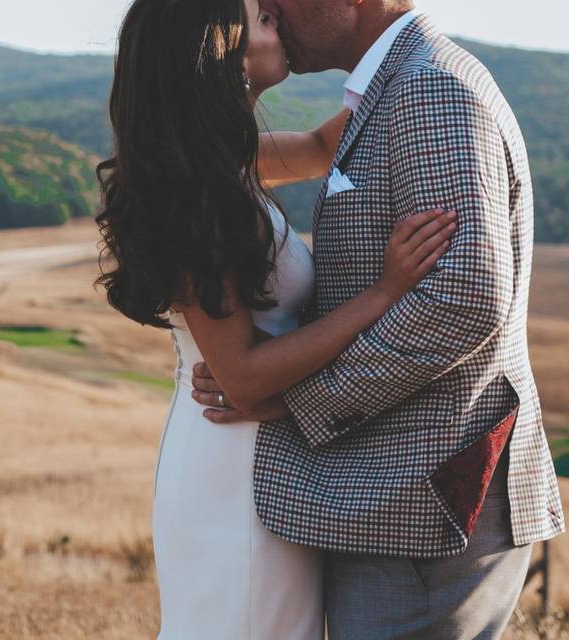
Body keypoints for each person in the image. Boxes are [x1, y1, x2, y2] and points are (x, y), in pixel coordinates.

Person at [190, 1, 565, 638]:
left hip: (426, 499)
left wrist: (299, 396)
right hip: (391, 497)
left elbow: (461, 297)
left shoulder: (431, 88)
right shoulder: (397, 84)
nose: (270, 7)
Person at [96, 0, 459, 637]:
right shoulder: (197, 197)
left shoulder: (225, 160)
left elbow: (326, 143)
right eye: (261, 17)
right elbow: (241, 375)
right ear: (224, 55)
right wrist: (383, 293)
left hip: (263, 457)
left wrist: (411, 58)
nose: (277, 16)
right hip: (235, 463)